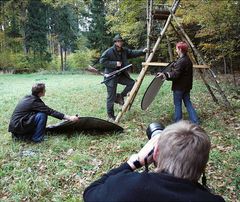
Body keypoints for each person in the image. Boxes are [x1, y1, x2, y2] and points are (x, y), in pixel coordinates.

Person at [83, 121, 225, 202]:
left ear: (156, 153)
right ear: (203, 164)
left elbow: (90, 192)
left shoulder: (125, 186)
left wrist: (133, 163)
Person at [8, 83, 78, 143]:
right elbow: (50, 111)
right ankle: (37, 138)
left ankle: (26, 136)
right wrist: (69, 117)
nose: (45, 91)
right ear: (40, 93)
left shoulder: (28, 97)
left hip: (16, 128)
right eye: (44, 90)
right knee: (42, 115)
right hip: (19, 126)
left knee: (40, 113)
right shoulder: (35, 102)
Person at [100, 34, 147, 121]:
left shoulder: (124, 51)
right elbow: (102, 61)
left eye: (121, 41)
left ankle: (120, 96)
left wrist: (143, 51)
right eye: (118, 41)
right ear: (115, 42)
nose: (120, 43)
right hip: (110, 77)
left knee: (132, 83)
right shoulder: (109, 51)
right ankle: (110, 116)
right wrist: (114, 64)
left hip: (120, 75)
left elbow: (133, 53)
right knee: (111, 97)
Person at [157, 41, 199, 124]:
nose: (176, 50)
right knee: (188, 103)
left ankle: (177, 122)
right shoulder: (187, 60)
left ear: (180, 49)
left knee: (178, 104)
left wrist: (165, 74)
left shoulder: (181, 61)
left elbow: (175, 74)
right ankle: (195, 121)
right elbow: (180, 69)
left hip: (179, 88)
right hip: (186, 87)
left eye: (176, 49)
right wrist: (173, 65)